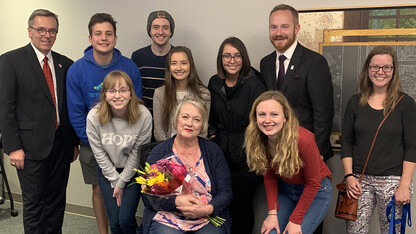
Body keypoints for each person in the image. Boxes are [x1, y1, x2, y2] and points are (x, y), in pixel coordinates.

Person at [0, 9, 79, 233]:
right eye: (41, 29)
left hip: (60, 146)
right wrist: (13, 147)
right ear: (29, 31)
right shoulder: (10, 60)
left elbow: (68, 108)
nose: (47, 35)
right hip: (28, 148)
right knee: (35, 205)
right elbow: (5, 108)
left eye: (52, 30)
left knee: (56, 203)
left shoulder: (66, 63)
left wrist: (72, 143)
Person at [66, 13, 142, 234]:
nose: (103, 38)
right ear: (90, 38)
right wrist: (98, 144)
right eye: (98, 33)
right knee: (99, 188)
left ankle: (123, 225)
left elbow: (136, 108)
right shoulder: (77, 70)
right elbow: (76, 113)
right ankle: (104, 231)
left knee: (127, 185)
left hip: (127, 143)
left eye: (109, 33)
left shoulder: (130, 67)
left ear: (115, 38)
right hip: (92, 144)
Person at [341, 46, 416, 234]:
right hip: (359, 180)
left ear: (393, 71)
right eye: (375, 67)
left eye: (386, 68)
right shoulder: (355, 102)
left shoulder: (405, 103)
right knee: (355, 231)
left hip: (393, 180)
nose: (380, 72)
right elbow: (347, 142)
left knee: (392, 232)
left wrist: (404, 186)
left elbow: (412, 146)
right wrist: (349, 176)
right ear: (368, 69)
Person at [139, 99, 232, 234]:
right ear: (176, 120)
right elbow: (149, 197)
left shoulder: (213, 152)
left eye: (196, 120)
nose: (190, 123)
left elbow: (226, 192)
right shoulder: (160, 152)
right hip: (168, 216)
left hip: (206, 217)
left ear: (202, 126)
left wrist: (208, 209)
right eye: (185, 117)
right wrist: (177, 201)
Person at [245, 90, 332, 234]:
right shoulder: (259, 139)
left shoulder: (303, 139)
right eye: (261, 114)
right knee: (271, 231)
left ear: (285, 117)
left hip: (316, 190)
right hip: (286, 190)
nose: (267, 120)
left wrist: (295, 221)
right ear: (255, 118)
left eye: (274, 114)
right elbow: (270, 178)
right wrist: (272, 215)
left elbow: (313, 183)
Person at [208, 36, 266, 234]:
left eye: (237, 56)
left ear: (243, 58)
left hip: (246, 157)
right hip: (221, 155)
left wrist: (248, 147)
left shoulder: (254, 84)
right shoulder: (214, 82)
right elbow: (211, 118)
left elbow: (261, 123)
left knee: (242, 209)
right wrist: (214, 136)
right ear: (220, 59)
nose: (232, 60)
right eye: (227, 56)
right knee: (221, 206)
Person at [86, 70, 152, 233]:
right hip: (107, 171)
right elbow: (99, 154)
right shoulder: (94, 116)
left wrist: (122, 183)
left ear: (131, 93)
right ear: (104, 95)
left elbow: (137, 154)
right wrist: (115, 181)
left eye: (123, 90)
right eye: (112, 91)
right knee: (114, 223)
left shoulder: (143, 115)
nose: (118, 96)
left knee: (125, 220)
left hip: (134, 171)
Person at [153, 46, 210, 141]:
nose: (178, 68)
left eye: (183, 63)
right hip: (168, 150)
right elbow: (158, 131)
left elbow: (203, 130)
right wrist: (169, 150)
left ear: (190, 65)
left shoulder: (204, 94)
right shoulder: (160, 93)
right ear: (169, 67)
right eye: (174, 63)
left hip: (195, 149)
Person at [131, 10, 175, 115]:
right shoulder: (137, 57)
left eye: (165, 27)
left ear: (171, 32)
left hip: (171, 120)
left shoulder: (179, 57)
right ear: (149, 31)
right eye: (156, 27)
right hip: (143, 119)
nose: (160, 32)